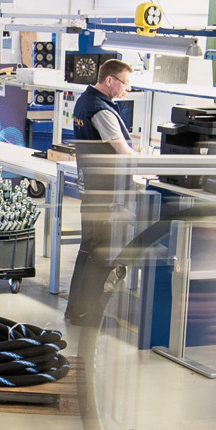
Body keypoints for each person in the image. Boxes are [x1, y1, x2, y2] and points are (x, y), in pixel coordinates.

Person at [62, 60, 138, 337]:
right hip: (105, 192)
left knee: (88, 251)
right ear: (109, 80)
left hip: (91, 188)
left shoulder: (84, 101)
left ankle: (76, 309)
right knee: (100, 254)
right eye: (125, 83)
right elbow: (121, 151)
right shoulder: (101, 109)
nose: (127, 89)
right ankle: (89, 313)